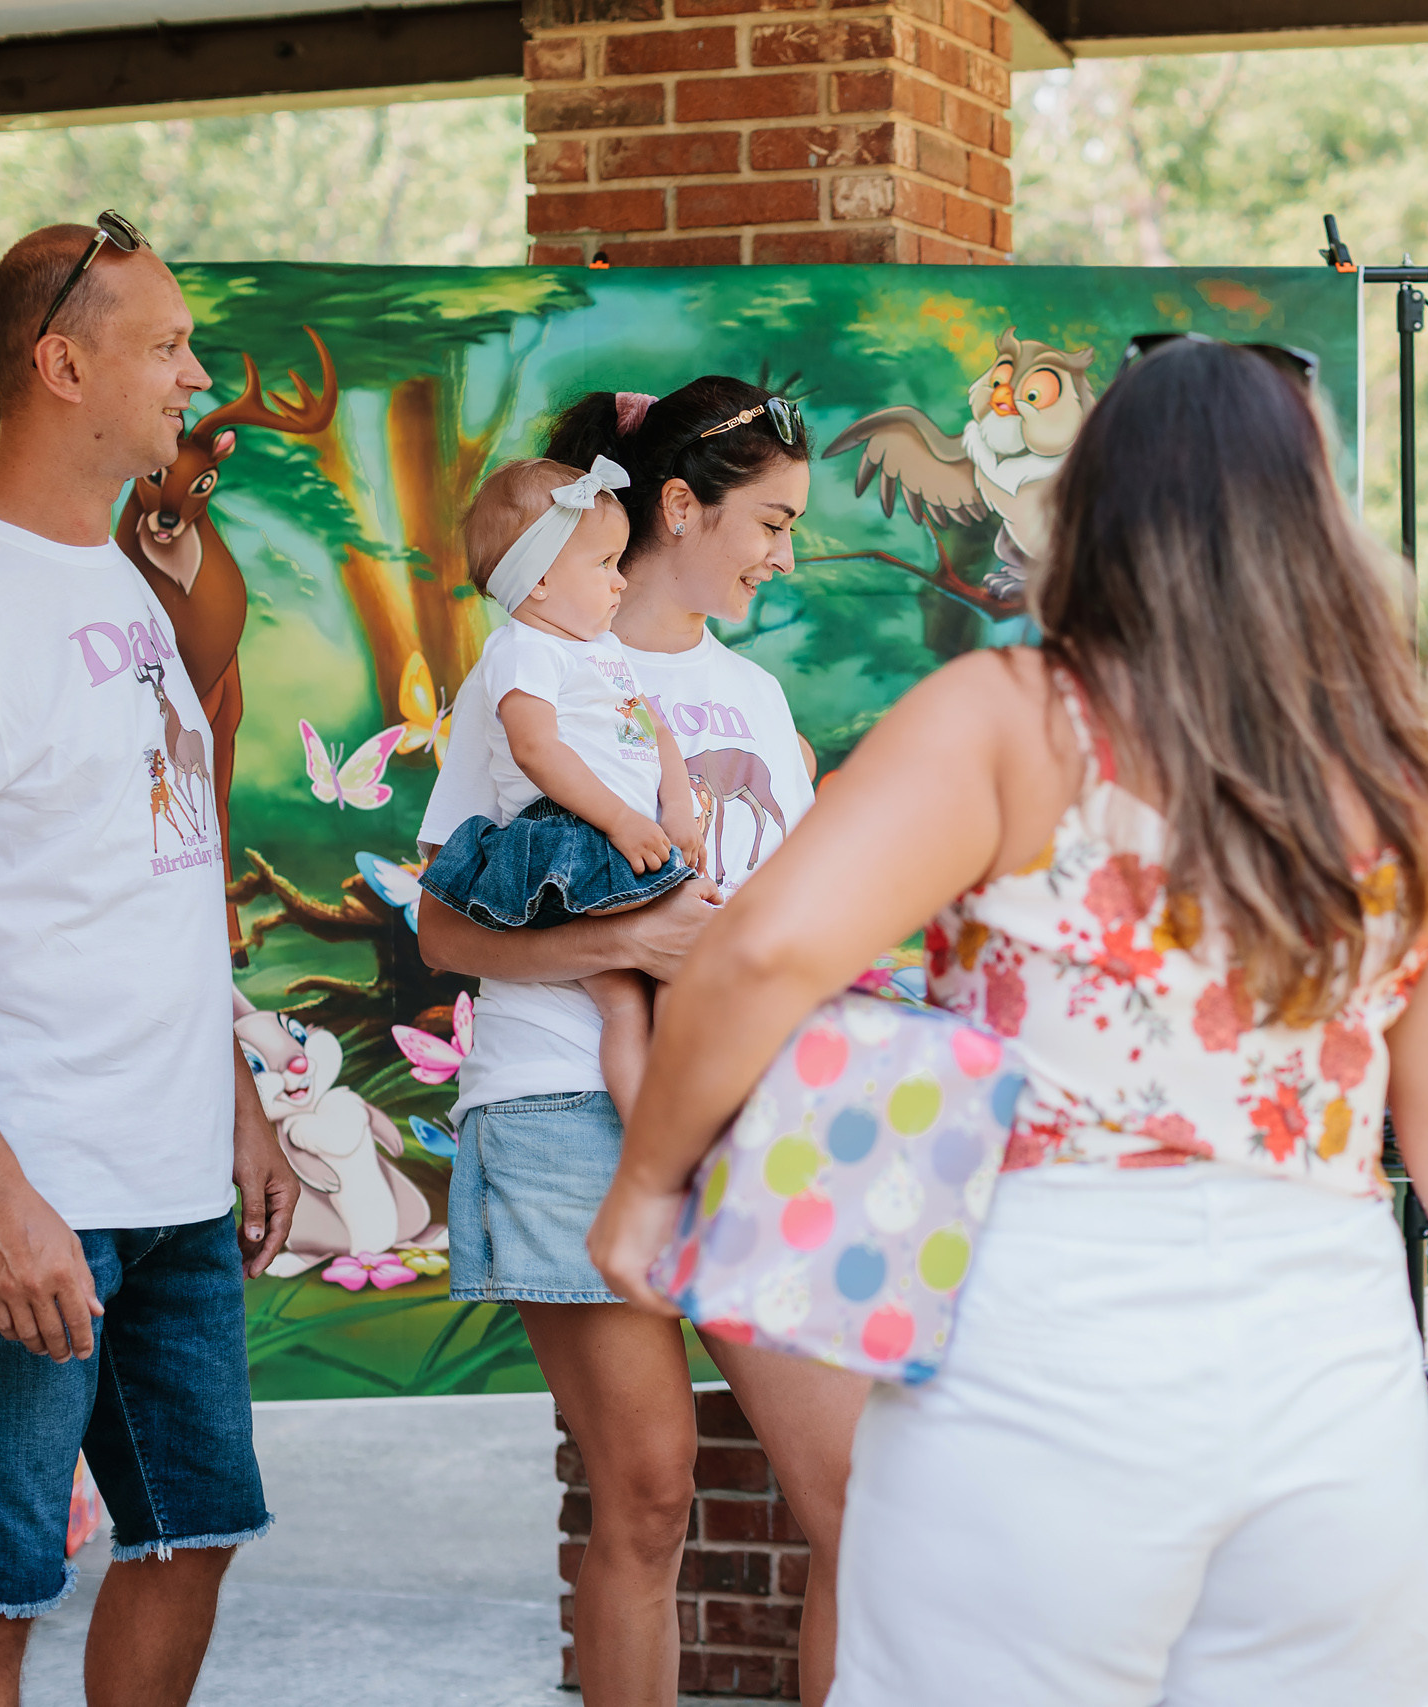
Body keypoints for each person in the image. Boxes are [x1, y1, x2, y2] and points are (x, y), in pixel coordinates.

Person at [586, 335, 1428, 1706]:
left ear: (1096, 509)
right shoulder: (1396, 782)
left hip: (1040, 1355)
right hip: (1329, 1380)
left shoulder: (1013, 718)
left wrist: (652, 1180)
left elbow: (765, 946)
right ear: (1318, 527)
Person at [0, 218, 297, 1707]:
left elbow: (148, 871)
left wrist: (235, 1093)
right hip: (21, 1190)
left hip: (169, 1174)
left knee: (196, 1529)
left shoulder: (109, 577)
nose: (196, 375)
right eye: (166, 346)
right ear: (62, 362)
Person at [415, 380, 865, 1705]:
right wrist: (624, 950)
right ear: (682, 504)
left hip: (747, 1112)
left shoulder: (759, 698)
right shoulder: (539, 668)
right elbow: (443, 926)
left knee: (856, 1499)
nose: (786, 552)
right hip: (566, 1106)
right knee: (650, 1494)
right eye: (772, 520)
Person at [419, 455, 705, 1123]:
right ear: (540, 580)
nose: (621, 579)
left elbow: (655, 728)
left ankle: (686, 1124)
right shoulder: (522, 650)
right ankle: (649, 1146)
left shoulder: (602, 649)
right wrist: (620, 819)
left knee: (677, 975)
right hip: (568, 836)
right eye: (604, 564)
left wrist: (677, 803)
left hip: (627, 828)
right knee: (628, 1001)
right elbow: (536, 747)